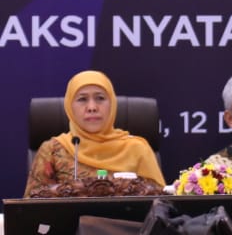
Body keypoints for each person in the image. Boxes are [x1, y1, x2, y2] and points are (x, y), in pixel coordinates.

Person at [24, 70, 165, 195]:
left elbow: (160, 204)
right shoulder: (52, 150)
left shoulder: (137, 148)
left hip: (128, 224)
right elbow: (33, 205)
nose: (92, 107)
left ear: (112, 104)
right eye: (82, 99)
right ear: (69, 107)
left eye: (100, 98)